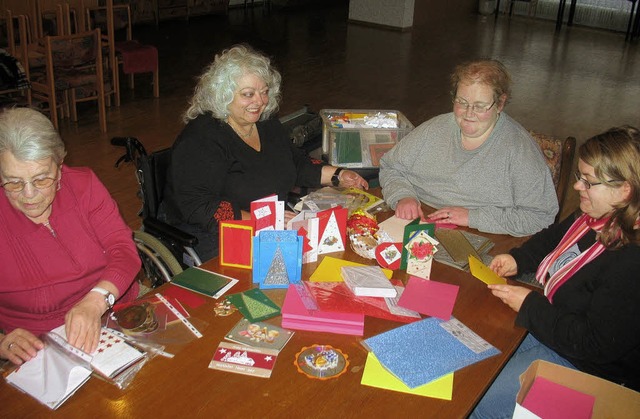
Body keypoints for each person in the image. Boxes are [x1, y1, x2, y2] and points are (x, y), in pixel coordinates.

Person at [470, 126, 640, 418]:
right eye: (579, 177)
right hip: (555, 327)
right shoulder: (598, 216)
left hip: (590, 368)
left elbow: (594, 345)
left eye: (588, 182)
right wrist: (518, 259)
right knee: (471, 364)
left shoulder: (631, 262)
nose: (578, 188)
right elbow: (553, 237)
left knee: (478, 398)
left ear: (624, 190)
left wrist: (530, 305)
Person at [161, 44, 368, 261]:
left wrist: (339, 175)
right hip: (214, 234)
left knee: (328, 250)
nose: (260, 102)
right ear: (223, 95)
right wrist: (264, 221)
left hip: (271, 223)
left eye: (264, 92)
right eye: (248, 94)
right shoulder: (201, 139)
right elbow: (201, 207)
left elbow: (295, 163)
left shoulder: (266, 124)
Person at [0, 107, 140, 366]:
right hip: (39, 349)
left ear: (60, 166)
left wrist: (96, 301)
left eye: (42, 179)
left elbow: (123, 249)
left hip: (117, 313)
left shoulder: (84, 185)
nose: (29, 194)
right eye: (13, 182)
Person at [379, 59, 558, 236]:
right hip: (417, 215)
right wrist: (403, 196)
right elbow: (390, 166)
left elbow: (540, 216)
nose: (469, 113)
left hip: (483, 231)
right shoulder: (433, 129)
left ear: (500, 104)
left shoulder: (519, 150)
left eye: (480, 106)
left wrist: (472, 217)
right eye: (462, 102)